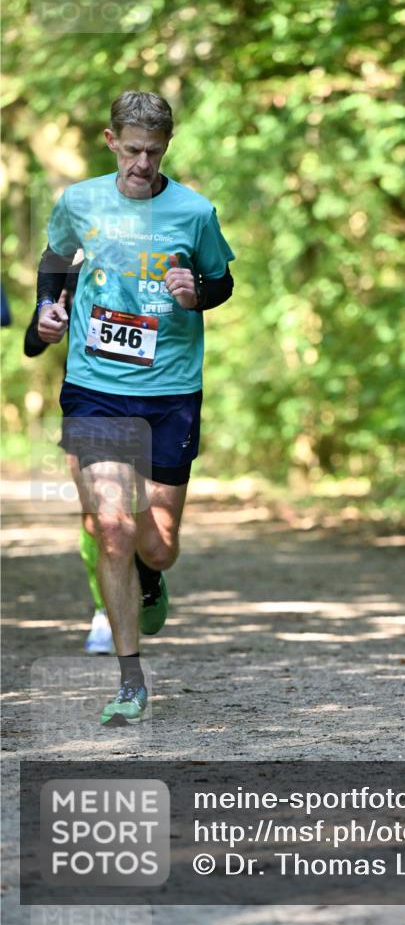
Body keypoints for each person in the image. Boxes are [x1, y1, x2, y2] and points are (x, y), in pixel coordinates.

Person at [36, 91, 235, 726]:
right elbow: (56, 259)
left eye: (153, 152)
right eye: (132, 149)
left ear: (166, 148)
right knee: (114, 527)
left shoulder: (194, 211)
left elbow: (222, 280)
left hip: (171, 390)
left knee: (159, 545)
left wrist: (195, 292)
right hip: (96, 385)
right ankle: (130, 678)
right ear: (111, 140)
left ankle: (150, 580)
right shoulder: (80, 201)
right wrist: (50, 308)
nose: (142, 163)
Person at [24, 276, 113, 655]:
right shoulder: (70, 268)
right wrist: (48, 323)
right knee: (96, 515)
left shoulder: (153, 255)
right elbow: (31, 344)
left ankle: (148, 573)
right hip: (87, 405)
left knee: (148, 530)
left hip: (154, 403)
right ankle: (104, 611)